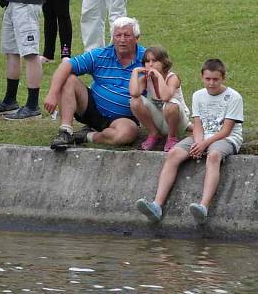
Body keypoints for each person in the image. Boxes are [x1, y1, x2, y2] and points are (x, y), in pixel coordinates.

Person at [135, 59, 243, 225]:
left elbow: (226, 131)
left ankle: (203, 207)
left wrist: (204, 145)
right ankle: (156, 205)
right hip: (202, 136)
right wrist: (198, 142)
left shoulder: (234, 97)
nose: (211, 83)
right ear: (202, 77)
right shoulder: (198, 95)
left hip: (225, 138)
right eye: (208, 79)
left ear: (223, 78)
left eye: (215, 79)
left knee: (213, 156)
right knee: (174, 154)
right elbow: (197, 124)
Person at [45, 17, 145, 150]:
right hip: (92, 108)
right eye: (118, 35)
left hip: (124, 117)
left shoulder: (147, 59)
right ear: (112, 37)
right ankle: (65, 132)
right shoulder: (100, 55)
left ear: (137, 38)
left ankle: (87, 136)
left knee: (125, 135)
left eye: (127, 35)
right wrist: (52, 93)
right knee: (69, 79)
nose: (122, 40)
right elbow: (66, 65)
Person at [129, 46, 190, 152]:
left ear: (164, 62)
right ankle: (154, 134)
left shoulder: (172, 77)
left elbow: (166, 97)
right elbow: (134, 93)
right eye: (147, 61)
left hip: (177, 121)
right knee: (135, 101)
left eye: (155, 61)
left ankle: (172, 137)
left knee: (171, 104)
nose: (151, 64)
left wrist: (158, 76)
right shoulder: (146, 79)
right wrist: (135, 72)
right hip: (159, 120)